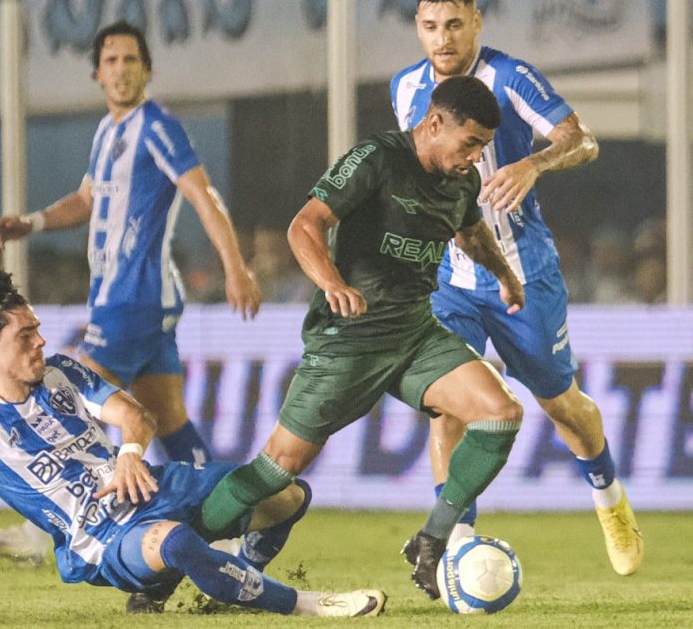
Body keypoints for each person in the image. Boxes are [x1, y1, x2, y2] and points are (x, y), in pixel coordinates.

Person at [191, 76, 526, 601]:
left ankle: (432, 540)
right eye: (471, 143)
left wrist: (505, 275)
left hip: (415, 334)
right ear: (435, 123)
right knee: (277, 469)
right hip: (348, 339)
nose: (477, 158)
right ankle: (174, 554)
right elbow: (305, 225)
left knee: (499, 412)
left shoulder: (459, 182)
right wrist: (332, 283)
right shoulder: (376, 158)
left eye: (483, 146)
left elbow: (472, 231)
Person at [0, 22, 262, 599]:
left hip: (132, 300)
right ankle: (233, 528)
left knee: (65, 399)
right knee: (170, 418)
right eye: (111, 59)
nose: (121, 68)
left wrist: (235, 266)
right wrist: (29, 224)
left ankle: (43, 534)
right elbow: (86, 201)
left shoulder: (158, 126)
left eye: (131, 58)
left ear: (146, 70)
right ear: (97, 72)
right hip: (133, 301)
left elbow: (202, 195)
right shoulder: (109, 132)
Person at [0, 270, 385, 619]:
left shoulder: (62, 371)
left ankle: (238, 586)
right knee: (176, 542)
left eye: (37, 329)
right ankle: (305, 604)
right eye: (26, 335)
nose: (41, 341)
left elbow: (135, 415)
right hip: (100, 536)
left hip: (149, 486)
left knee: (287, 495)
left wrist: (129, 454)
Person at [389, 0, 643, 575]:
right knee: (448, 406)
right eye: (430, 26)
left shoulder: (509, 76)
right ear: (417, 27)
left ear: (477, 20)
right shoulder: (403, 88)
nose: (443, 38)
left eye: (455, 23)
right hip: (451, 277)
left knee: (564, 408)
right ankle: (453, 544)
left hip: (524, 274)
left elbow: (582, 141)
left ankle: (609, 498)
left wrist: (534, 165)